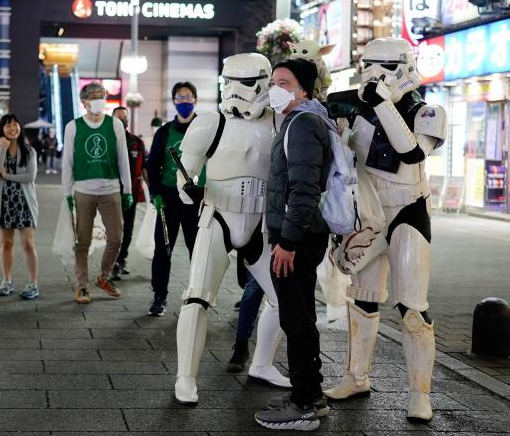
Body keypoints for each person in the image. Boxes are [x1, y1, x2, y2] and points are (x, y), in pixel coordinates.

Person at [323, 38, 446, 422]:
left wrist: (381, 103)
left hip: (409, 211)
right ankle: (356, 376)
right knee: (361, 298)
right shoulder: (348, 105)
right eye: (369, 65)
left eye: (386, 67)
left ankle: (419, 393)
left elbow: (411, 153)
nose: (375, 74)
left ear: (407, 69)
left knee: (412, 307)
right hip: (367, 212)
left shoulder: (429, 112)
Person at [169, 57, 289, 406]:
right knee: (196, 297)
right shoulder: (209, 123)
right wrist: (187, 189)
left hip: (261, 223)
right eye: (230, 82)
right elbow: (184, 175)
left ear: (263, 82)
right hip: (217, 217)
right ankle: (186, 376)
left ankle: (262, 363)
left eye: (247, 82)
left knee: (284, 299)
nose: (236, 91)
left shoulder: (282, 122)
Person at [255, 58, 335, 431]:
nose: (275, 86)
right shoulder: (303, 119)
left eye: (283, 82)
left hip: (297, 237)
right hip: (302, 233)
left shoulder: (302, 123)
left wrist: (287, 241)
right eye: (273, 81)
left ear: (303, 89)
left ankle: (304, 405)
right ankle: (309, 395)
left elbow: (305, 188)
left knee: (297, 319)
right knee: (299, 315)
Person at [62, 82, 133, 304]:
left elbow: (123, 159)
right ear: (84, 102)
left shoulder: (115, 125)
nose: (99, 99)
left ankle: (104, 277)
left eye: (102, 95)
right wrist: (68, 193)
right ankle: (82, 286)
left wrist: (127, 189)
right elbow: (67, 163)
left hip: (110, 189)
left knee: (116, 238)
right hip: (83, 190)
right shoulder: (73, 127)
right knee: (82, 242)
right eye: (94, 96)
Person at [145, 82, 205, 317]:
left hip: (194, 199)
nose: (184, 102)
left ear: (196, 100)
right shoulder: (164, 132)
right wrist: (155, 193)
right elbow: (152, 164)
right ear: (173, 102)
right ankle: (159, 296)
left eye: (188, 97)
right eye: (179, 98)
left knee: (197, 250)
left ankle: (198, 297)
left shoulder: (205, 129)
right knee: (163, 249)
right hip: (169, 199)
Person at [0, 114, 40, 300]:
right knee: (6, 243)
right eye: (8, 126)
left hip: (25, 204)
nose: (12, 128)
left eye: (15, 125)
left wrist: (8, 176)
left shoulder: (29, 151)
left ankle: (33, 284)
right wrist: (2, 149)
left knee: (28, 244)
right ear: (2, 129)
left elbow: (30, 177)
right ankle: (7, 280)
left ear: (20, 127)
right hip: (5, 203)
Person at [111, 106, 147, 280]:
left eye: (124, 118)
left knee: (129, 229)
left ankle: (121, 260)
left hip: (131, 193)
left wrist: (152, 192)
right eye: (118, 118)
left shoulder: (136, 143)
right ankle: (112, 262)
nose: (122, 121)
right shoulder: (107, 141)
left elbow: (145, 169)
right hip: (110, 194)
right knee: (114, 230)